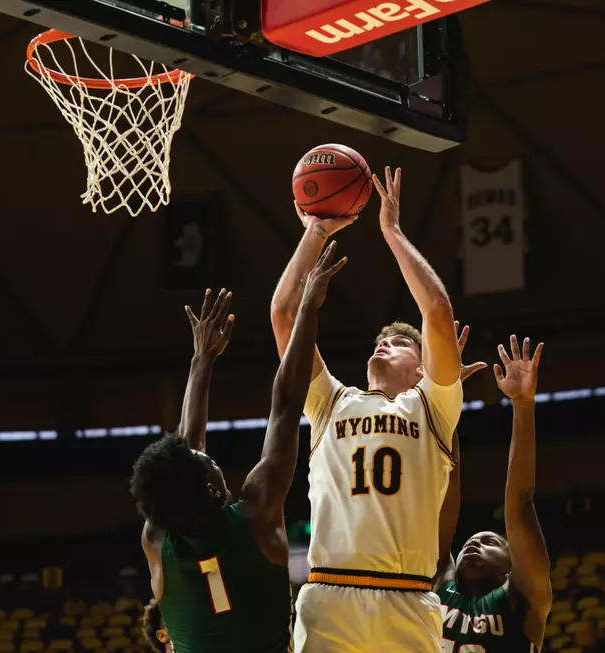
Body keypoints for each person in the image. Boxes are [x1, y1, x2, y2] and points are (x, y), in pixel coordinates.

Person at [270, 167, 465, 652]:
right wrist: (315, 232)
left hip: (409, 597)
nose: (384, 344)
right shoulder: (330, 401)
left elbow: (437, 309)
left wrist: (392, 232)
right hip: (330, 595)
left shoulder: (433, 407)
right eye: (380, 340)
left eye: (399, 343)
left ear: (423, 369)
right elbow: (284, 315)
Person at [132, 243, 346, 653]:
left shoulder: (157, 540)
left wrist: (203, 361)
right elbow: (286, 405)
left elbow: (185, 453)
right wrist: (306, 310)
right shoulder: (256, 516)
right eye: (208, 463)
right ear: (212, 490)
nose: (208, 455)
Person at [435, 335, 552, 653]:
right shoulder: (437, 584)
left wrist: (523, 404)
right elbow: (445, 484)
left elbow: (520, 503)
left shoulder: (522, 598)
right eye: (471, 542)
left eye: (490, 541)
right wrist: (445, 398)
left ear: (511, 566)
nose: (472, 543)